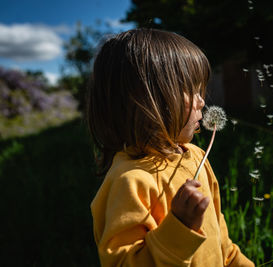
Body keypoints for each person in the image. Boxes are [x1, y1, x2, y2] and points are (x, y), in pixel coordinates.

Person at [87, 28, 254, 267]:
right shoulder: (130, 181)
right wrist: (179, 227)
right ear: (149, 99)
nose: (202, 101)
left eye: (201, 91)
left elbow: (219, 234)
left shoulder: (195, 156)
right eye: (193, 90)